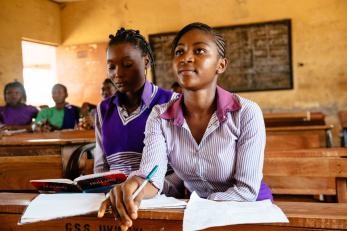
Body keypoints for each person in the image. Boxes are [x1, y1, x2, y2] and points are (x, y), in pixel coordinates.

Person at [110, 22, 273, 230]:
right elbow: (152, 177)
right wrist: (135, 187)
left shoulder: (245, 112)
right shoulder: (160, 116)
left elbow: (246, 190)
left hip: (247, 211)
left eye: (199, 50)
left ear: (220, 65)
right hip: (196, 212)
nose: (185, 57)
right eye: (179, 51)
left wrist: (198, 207)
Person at [93, 28, 174, 175]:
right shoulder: (104, 109)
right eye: (111, 67)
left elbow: (183, 171)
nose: (117, 73)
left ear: (146, 62)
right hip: (114, 194)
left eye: (127, 64)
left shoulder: (170, 102)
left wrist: (147, 189)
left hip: (160, 194)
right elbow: (101, 166)